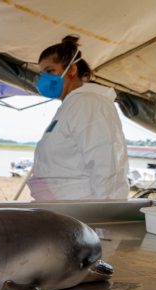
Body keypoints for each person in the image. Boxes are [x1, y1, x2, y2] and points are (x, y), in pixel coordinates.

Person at [27, 35, 129, 200]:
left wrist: (106, 211)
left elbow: (106, 161)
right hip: (63, 207)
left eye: (50, 71)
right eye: (42, 73)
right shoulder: (71, 105)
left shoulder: (89, 103)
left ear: (72, 70)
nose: (44, 78)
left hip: (81, 208)